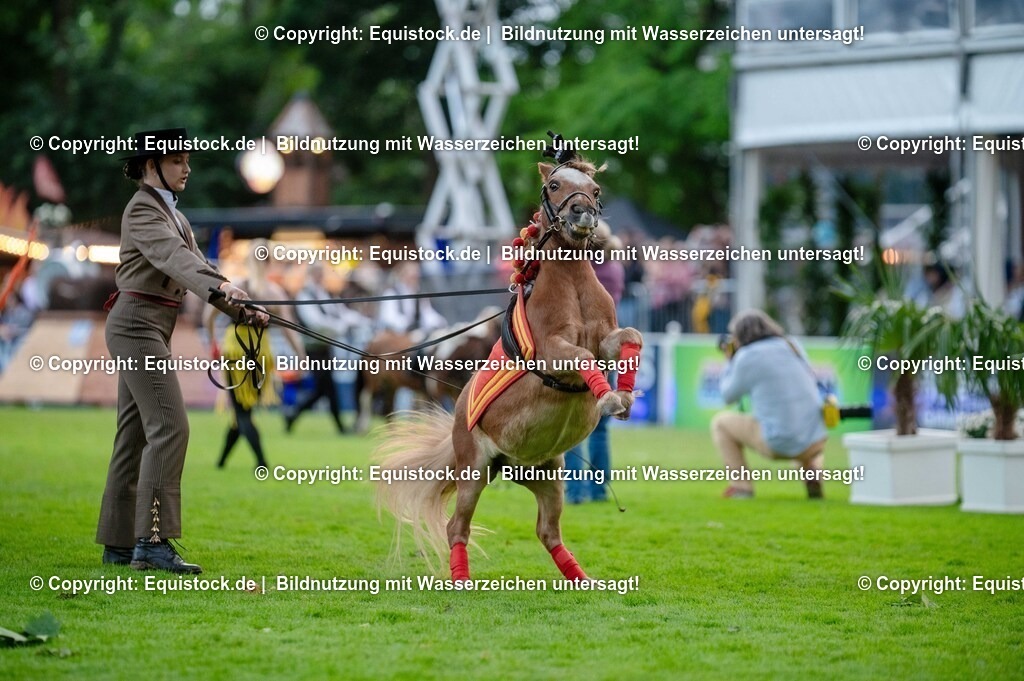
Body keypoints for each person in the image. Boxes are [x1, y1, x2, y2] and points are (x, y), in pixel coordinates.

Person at [97, 128, 268, 574]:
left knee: (134, 436)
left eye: (187, 159)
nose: (186, 167)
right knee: (171, 427)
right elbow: (176, 259)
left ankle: (119, 542)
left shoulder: (171, 212)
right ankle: (151, 543)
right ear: (150, 165)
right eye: (177, 161)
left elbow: (200, 268)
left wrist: (241, 308)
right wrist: (225, 287)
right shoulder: (143, 211)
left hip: (149, 325)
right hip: (137, 326)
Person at [205, 240, 304, 469]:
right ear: (269, 261)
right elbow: (290, 330)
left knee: (242, 411)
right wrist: (301, 356)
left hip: (235, 350)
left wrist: (213, 344)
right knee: (244, 411)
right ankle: (236, 462)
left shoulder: (237, 286)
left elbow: (207, 318)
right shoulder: (274, 291)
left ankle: (254, 461)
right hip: (261, 353)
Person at [711, 309, 827, 499]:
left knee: (721, 423)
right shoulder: (792, 345)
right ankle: (812, 471)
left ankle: (741, 487)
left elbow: (727, 396)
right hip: (814, 439)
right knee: (800, 424)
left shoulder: (746, 357)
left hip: (778, 443)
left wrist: (730, 361)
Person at [565, 222, 626, 504]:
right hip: (606, 352)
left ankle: (576, 491)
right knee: (600, 428)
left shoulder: (581, 273)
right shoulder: (614, 269)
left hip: (579, 353)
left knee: (575, 424)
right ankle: (600, 490)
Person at [285, 262, 369, 434]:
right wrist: (341, 327)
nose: (320, 277)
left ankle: (294, 415)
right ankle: (337, 426)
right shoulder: (304, 295)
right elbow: (315, 322)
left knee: (324, 389)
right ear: (311, 275)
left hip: (325, 347)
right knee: (325, 388)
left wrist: (358, 320)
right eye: (318, 273)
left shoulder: (323, 293)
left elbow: (340, 312)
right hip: (313, 348)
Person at [377, 261, 447, 340]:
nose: (415, 278)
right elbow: (389, 318)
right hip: (397, 335)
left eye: (416, 276)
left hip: (416, 334)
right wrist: (408, 326)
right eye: (412, 276)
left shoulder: (419, 294)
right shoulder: (391, 292)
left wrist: (439, 323)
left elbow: (428, 314)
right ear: (402, 275)